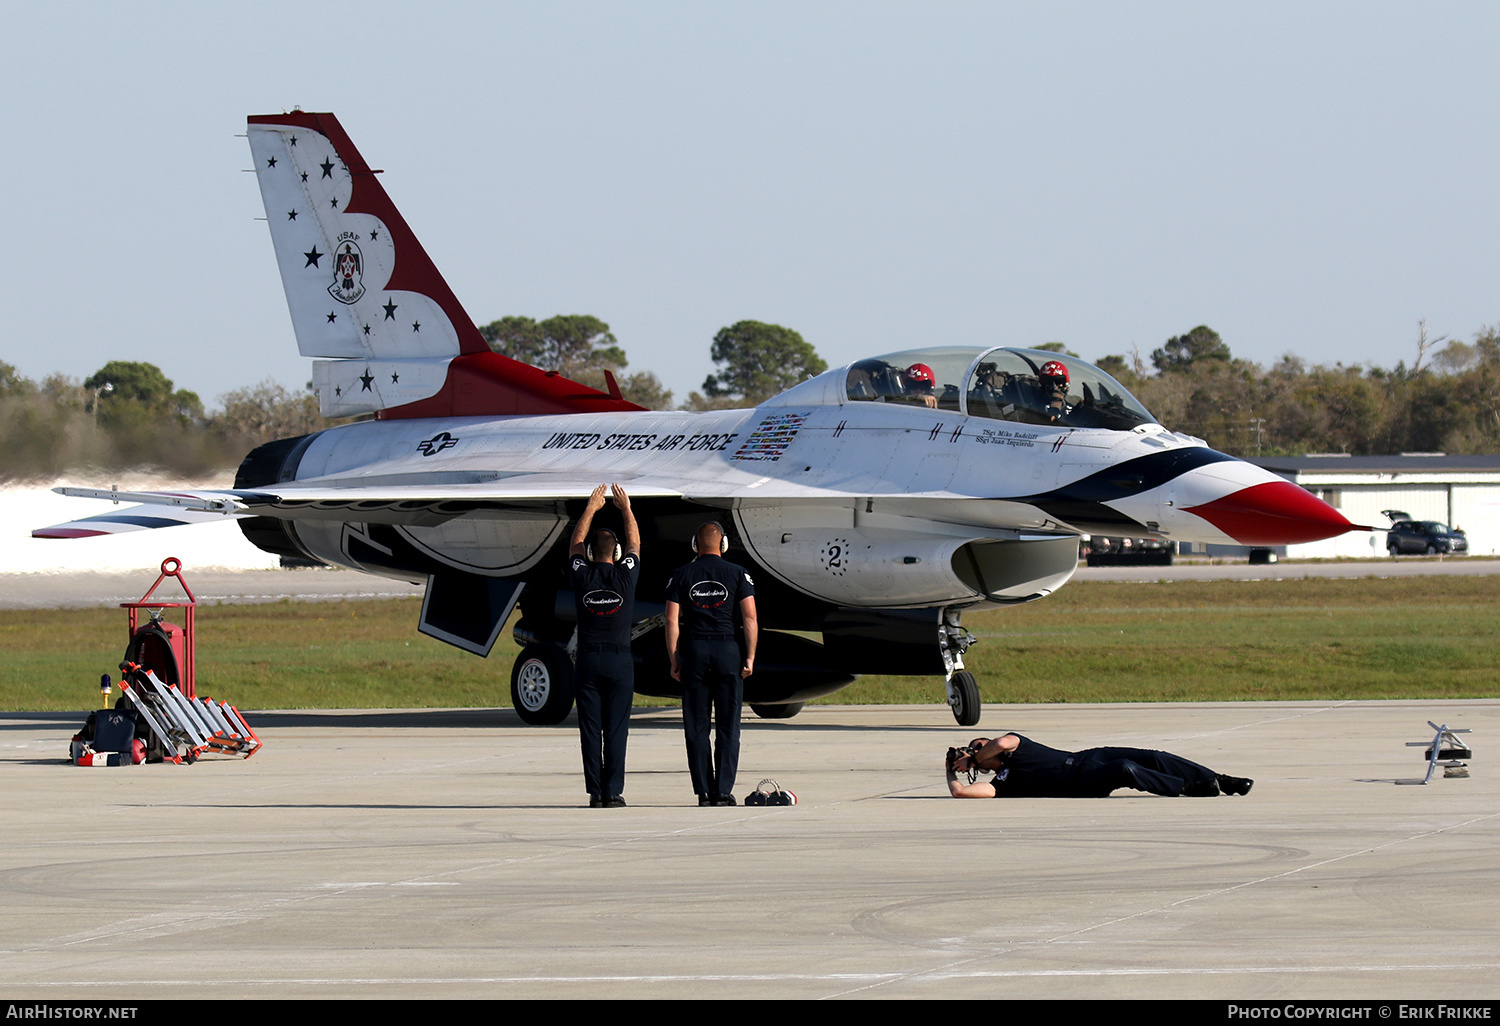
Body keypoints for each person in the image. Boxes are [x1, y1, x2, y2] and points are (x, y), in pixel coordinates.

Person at [665, 522, 758, 806]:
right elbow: (750, 618)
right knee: (729, 725)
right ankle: (724, 790)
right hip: (727, 649)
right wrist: (750, 655)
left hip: (694, 650)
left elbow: (671, 620)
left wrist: (674, 658)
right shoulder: (739, 574)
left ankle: (704, 791)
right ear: (724, 544)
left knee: (696, 725)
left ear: (696, 545)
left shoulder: (680, 575)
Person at [568, 483, 641, 808]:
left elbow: (574, 545)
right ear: (616, 553)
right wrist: (625, 508)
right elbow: (636, 544)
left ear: (589, 554)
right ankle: (613, 791)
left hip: (587, 661)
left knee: (589, 729)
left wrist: (591, 507)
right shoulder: (625, 577)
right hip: (618, 660)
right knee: (616, 729)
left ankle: (596, 793)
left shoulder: (581, 574)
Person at [944, 733, 1253, 799]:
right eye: (976, 749)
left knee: (1153, 756)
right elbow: (961, 792)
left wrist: (973, 754)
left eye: (979, 744)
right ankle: (1189, 788)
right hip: (1081, 780)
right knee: (1124, 768)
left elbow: (1000, 743)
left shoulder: (1016, 745)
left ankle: (1223, 781)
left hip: (1088, 755)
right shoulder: (1003, 782)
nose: (982, 748)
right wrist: (951, 768)